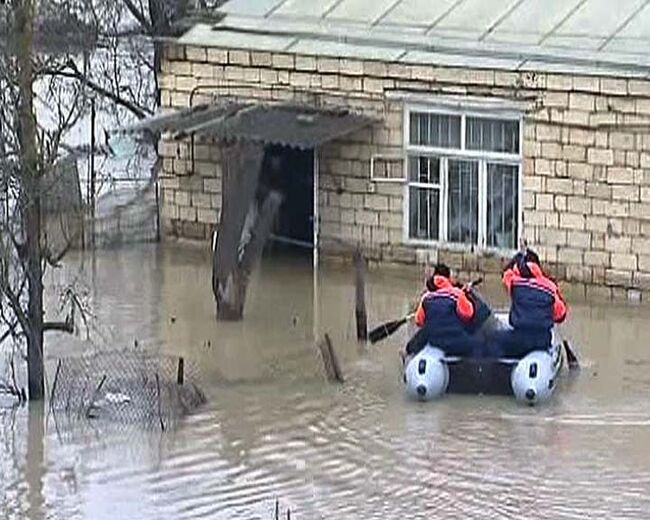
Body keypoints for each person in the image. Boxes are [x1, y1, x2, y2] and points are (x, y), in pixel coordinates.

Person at [493, 249, 567, 358]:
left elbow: (505, 274)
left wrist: (516, 262)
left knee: (494, 338)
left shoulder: (514, 283)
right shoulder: (550, 287)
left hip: (518, 339)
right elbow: (560, 315)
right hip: (542, 341)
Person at [404, 263, 485, 358]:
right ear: (448, 278)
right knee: (479, 343)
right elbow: (468, 315)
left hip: (434, 340)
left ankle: (406, 352)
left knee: (426, 330)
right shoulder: (457, 293)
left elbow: (419, 321)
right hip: (457, 340)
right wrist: (467, 297)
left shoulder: (426, 297)